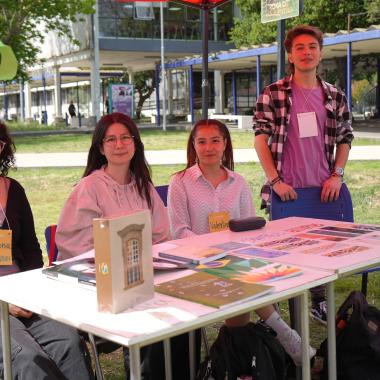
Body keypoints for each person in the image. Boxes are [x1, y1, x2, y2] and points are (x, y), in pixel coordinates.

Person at [168, 118, 315, 366]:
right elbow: (179, 231)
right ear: (193, 146)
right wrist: (214, 250)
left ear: (225, 144)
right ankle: (286, 338)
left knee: (245, 297)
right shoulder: (180, 182)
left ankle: (238, 360)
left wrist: (233, 252)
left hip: (235, 259)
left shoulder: (238, 182)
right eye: (202, 142)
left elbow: (250, 228)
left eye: (215, 140)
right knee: (244, 282)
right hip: (197, 261)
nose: (209, 147)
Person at [55, 112, 192, 380]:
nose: (119, 145)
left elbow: (162, 236)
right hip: (100, 283)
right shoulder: (89, 188)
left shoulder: (144, 186)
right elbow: (73, 248)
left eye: (125, 138)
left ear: (135, 143)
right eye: (111, 139)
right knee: (153, 318)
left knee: (187, 316)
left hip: (144, 276)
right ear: (101, 147)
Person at [253, 25, 354, 324]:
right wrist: (275, 181)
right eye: (299, 47)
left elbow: (345, 138)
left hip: (324, 189)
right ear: (290, 54)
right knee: (289, 255)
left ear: (320, 52)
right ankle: (287, 315)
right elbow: (260, 138)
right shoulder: (273, 93)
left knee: (323, 252)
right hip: (289, 191)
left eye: (312, 46)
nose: (306, 52)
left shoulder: (335, 95)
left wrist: (337, 174)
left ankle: (318, 302)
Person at [0, 122, 94, 380]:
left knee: (69, 343)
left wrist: (28, 292)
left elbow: (31, 248)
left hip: (23, 294)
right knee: (27, 358)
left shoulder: (14, 190)